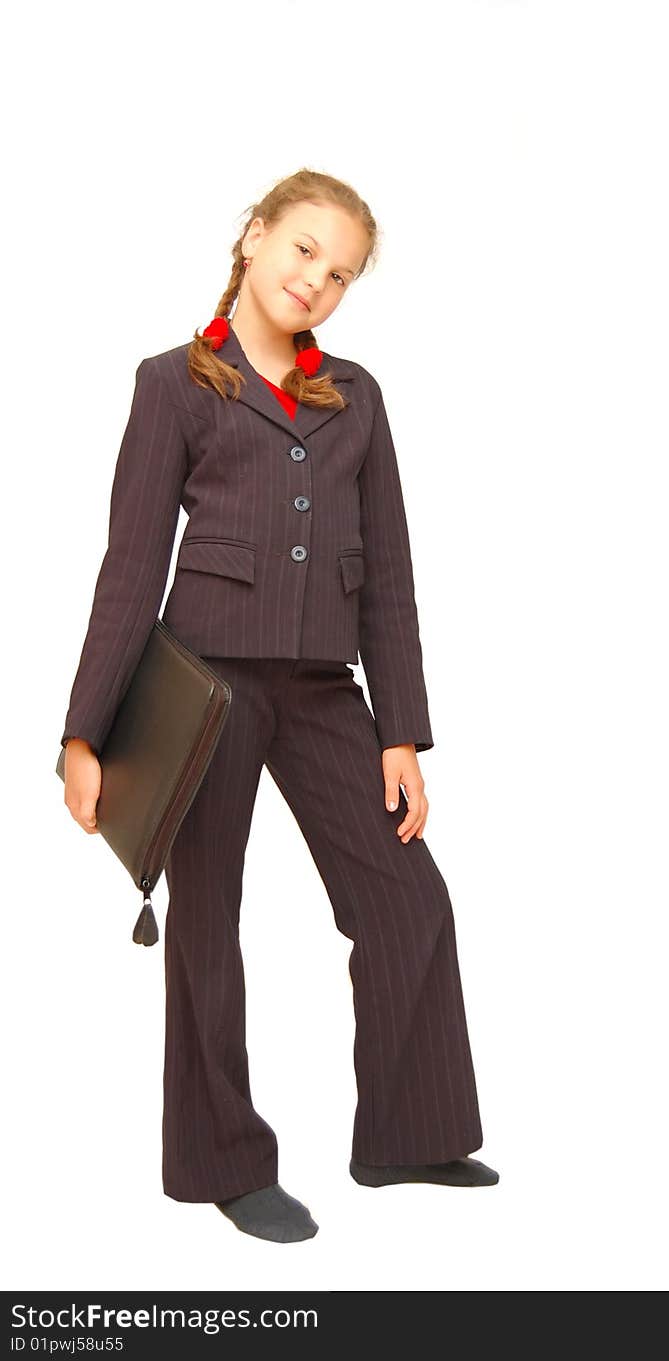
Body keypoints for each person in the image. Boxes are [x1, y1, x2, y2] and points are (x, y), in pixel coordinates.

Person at [60, 169, 498, 1244]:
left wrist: (399, 729)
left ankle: (410, 1132)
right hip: (201, 688)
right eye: (304, 249)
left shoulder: (356, 397)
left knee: (407, 895)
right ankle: (222, 1160)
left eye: (340, 272)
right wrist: (84, 731)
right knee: (206, 925)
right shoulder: (174, 384)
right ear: (254, 238)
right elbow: (130, 567)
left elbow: (388, 570)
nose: (317, 279)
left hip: (320, 692)